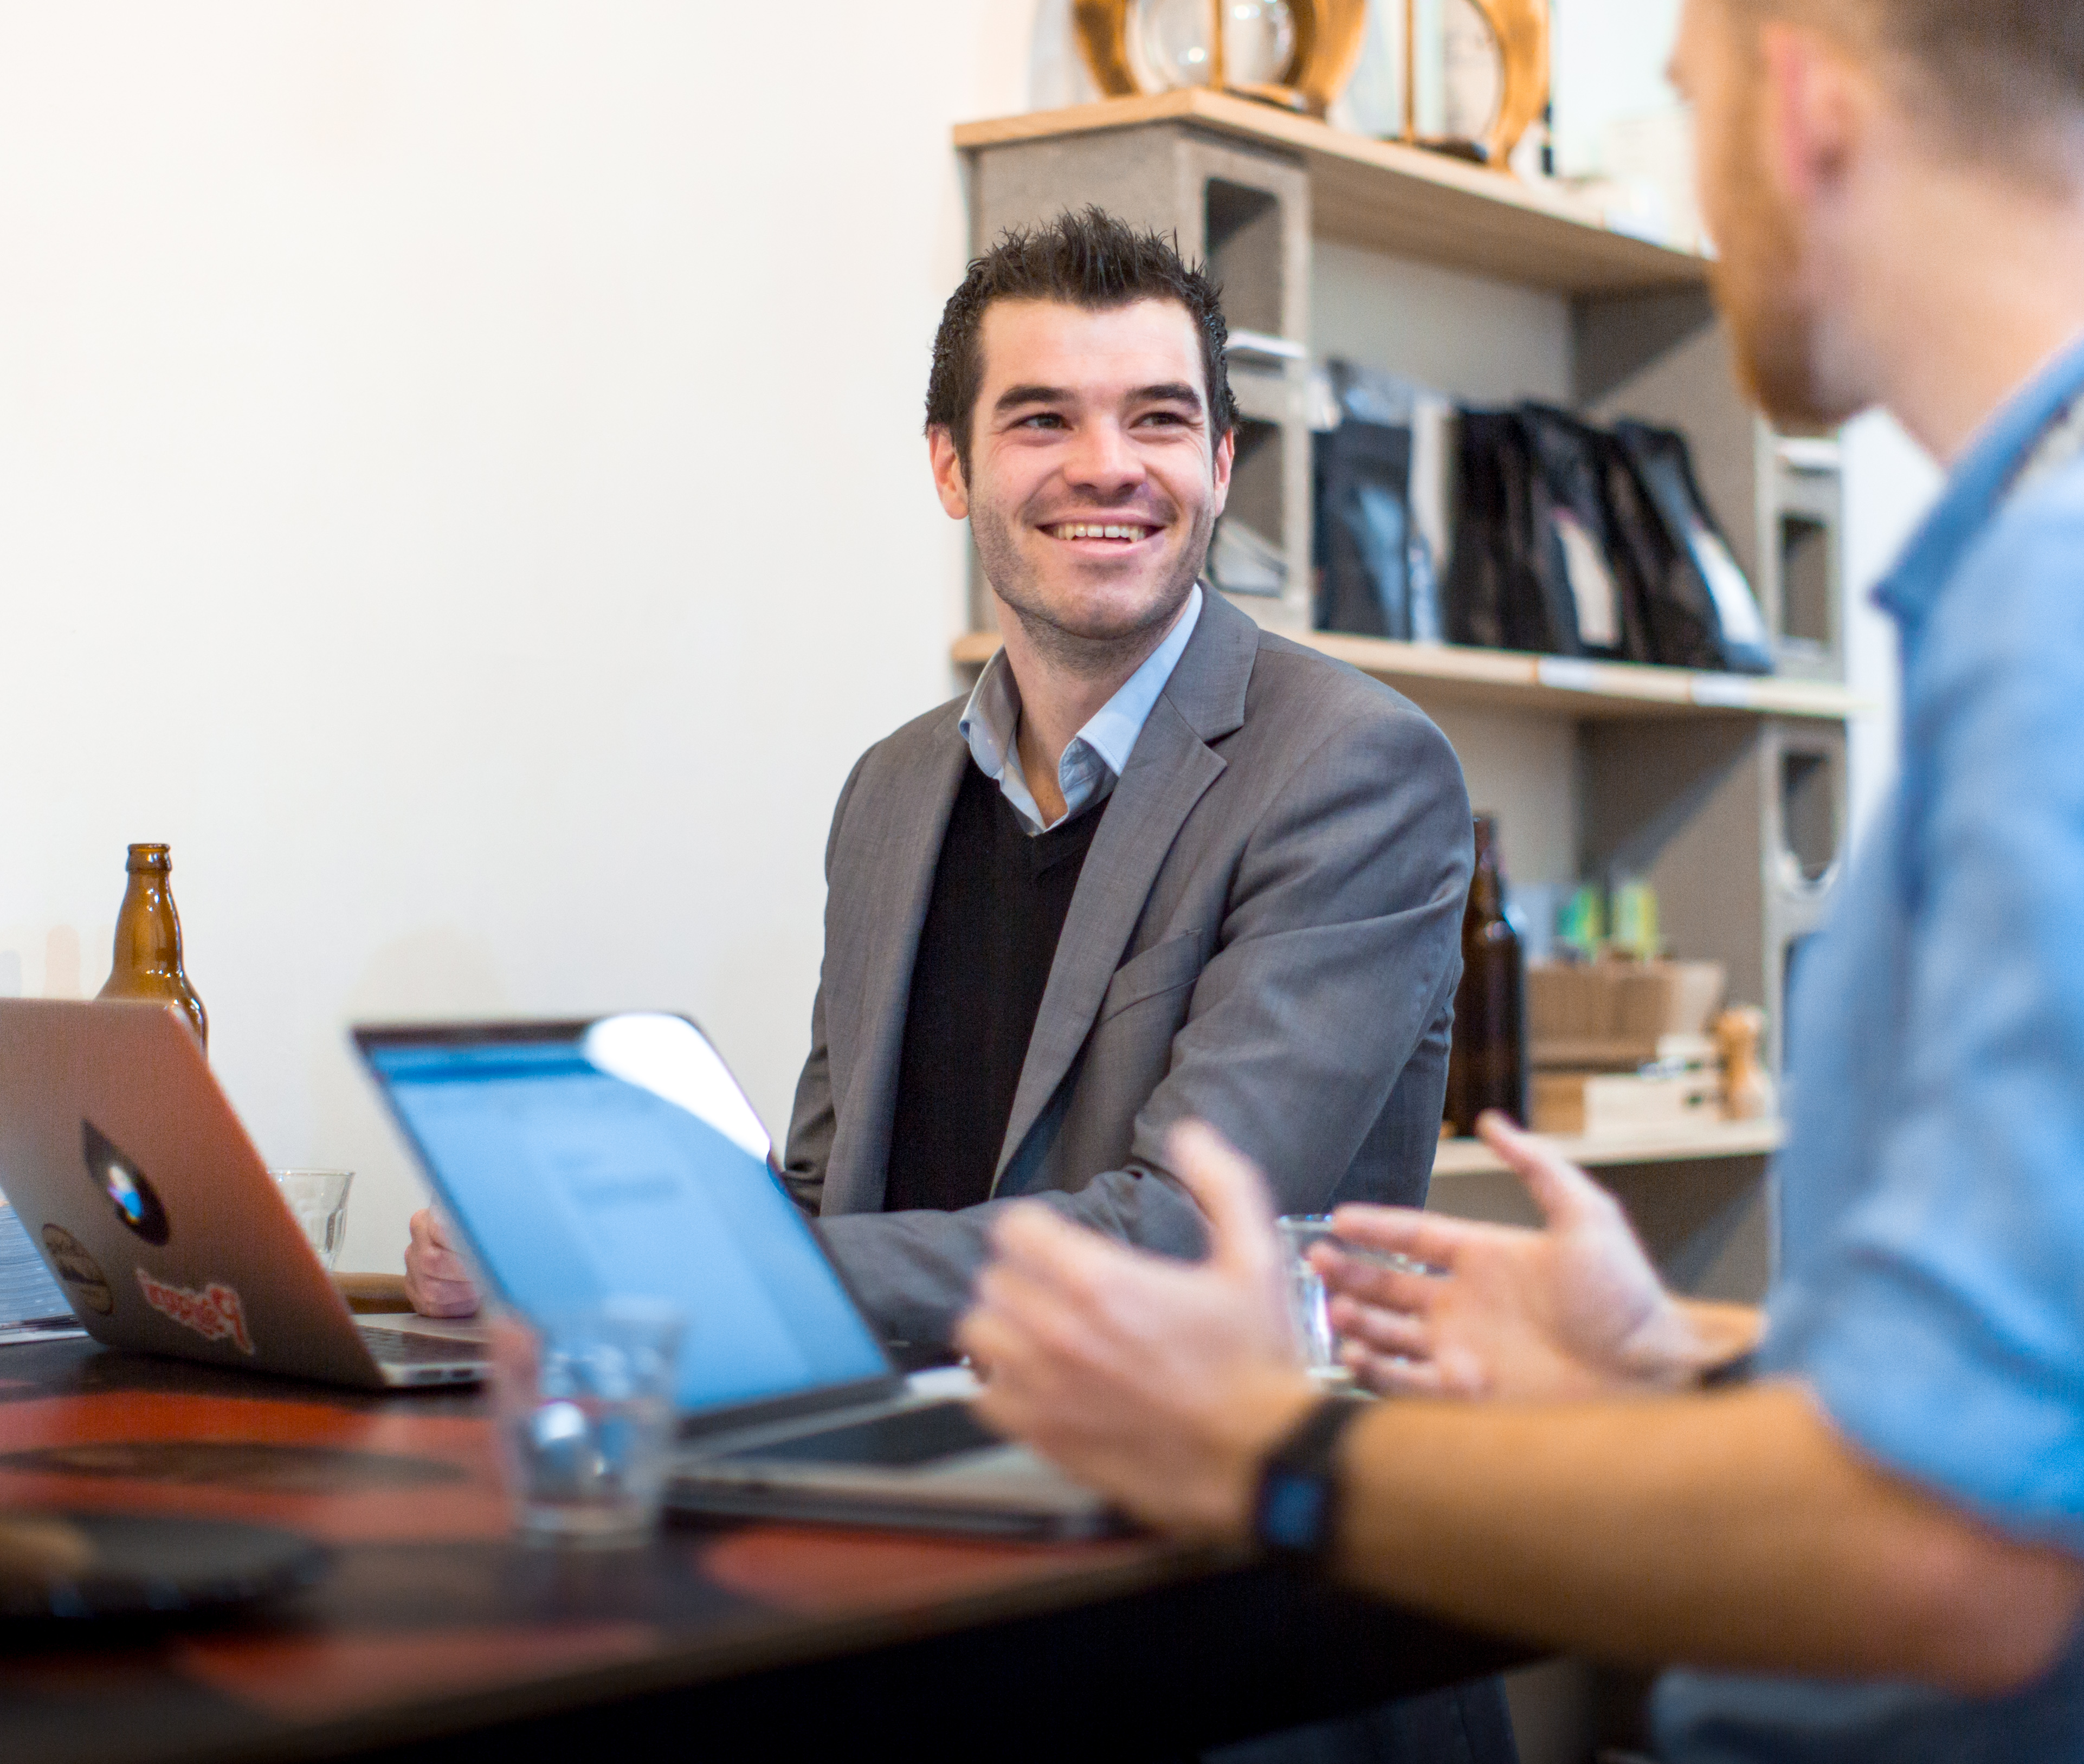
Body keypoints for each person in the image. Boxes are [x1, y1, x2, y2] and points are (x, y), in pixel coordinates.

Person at [957, 0, 2084, 1758]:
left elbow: (1952, 1548)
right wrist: (1678, 1363)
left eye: (1688, 101)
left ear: (1798, 104)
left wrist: (1261, 1450)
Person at [413, 209, 1512, 1761]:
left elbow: (1182, 1236)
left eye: (1157, 419)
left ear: (1218, 462)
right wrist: (562, 1240)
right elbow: (825, 1190)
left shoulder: (1352, 769)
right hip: (914, 1572)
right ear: (951, 468)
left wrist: (691, 1283)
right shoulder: (887, 796)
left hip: (1211, 1628)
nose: (1106, 466)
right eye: (1040, 418)